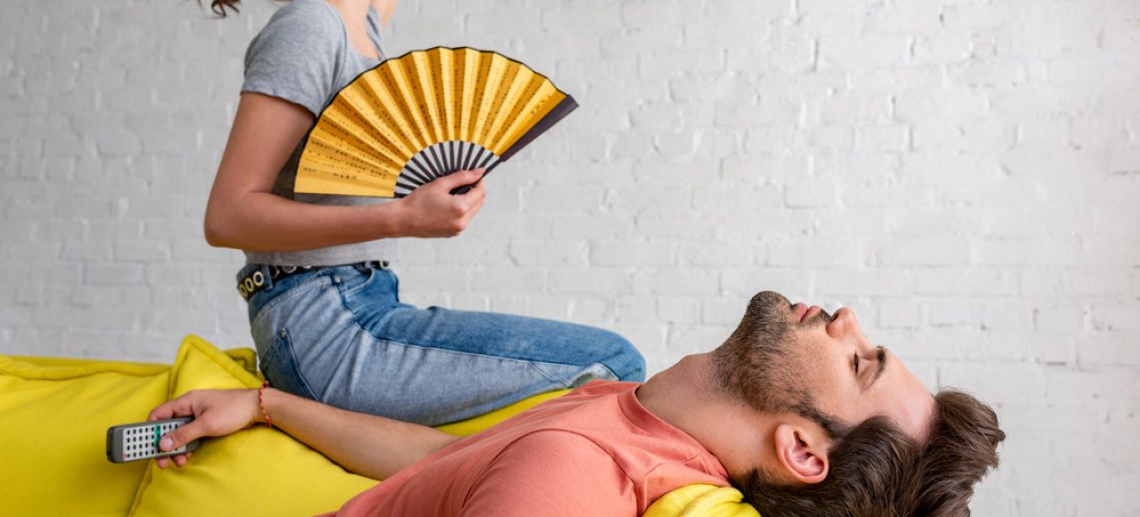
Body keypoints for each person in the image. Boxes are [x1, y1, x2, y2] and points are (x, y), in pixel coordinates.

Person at [175, 0, 645, 426]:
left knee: (608, 370)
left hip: (359, 303)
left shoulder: (360, 27)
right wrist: (402, 217)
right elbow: (227, 215)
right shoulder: (307, 28)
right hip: (324, 323)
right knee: (611, 363)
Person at [150, 291, 1005, 516]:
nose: (848, 321)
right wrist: (265, 406)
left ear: (803, 453)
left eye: (860, 362)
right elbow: (431, 463)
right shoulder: (618, 410)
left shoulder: (578, 477)